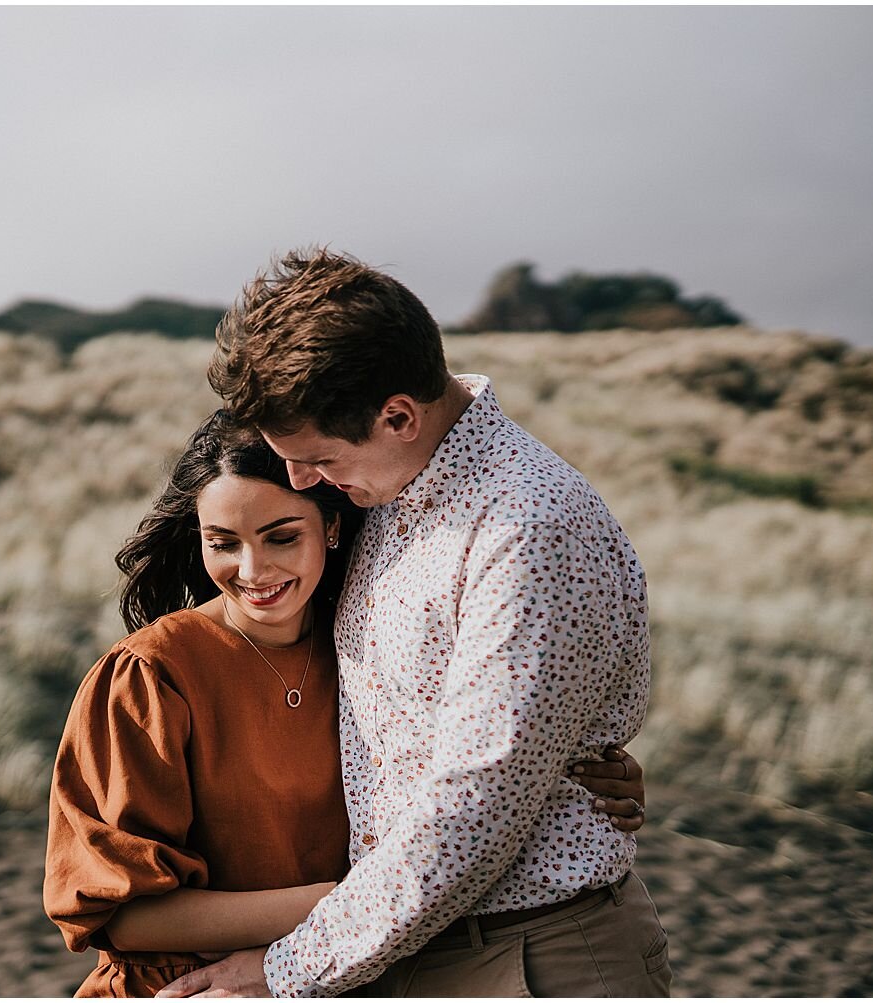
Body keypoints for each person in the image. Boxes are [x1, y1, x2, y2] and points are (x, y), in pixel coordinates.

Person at [156, 249, 671, 998]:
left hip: (529, 958)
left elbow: (473, 811)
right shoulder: (386, 488)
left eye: (317, 459)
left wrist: (283, 972)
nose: (302, 482)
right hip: (405, 950)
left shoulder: (526, 528)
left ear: (399, 415)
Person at [44, 410, 650, 998]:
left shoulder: (361, 645)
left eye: (282, 536)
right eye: (222, 542)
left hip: (342, 974)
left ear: (331, 528)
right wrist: (356, 901)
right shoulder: (151, 675)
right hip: (197, 987)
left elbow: (475, 761)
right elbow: (121, 916)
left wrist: (572, 777)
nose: (253, 570)